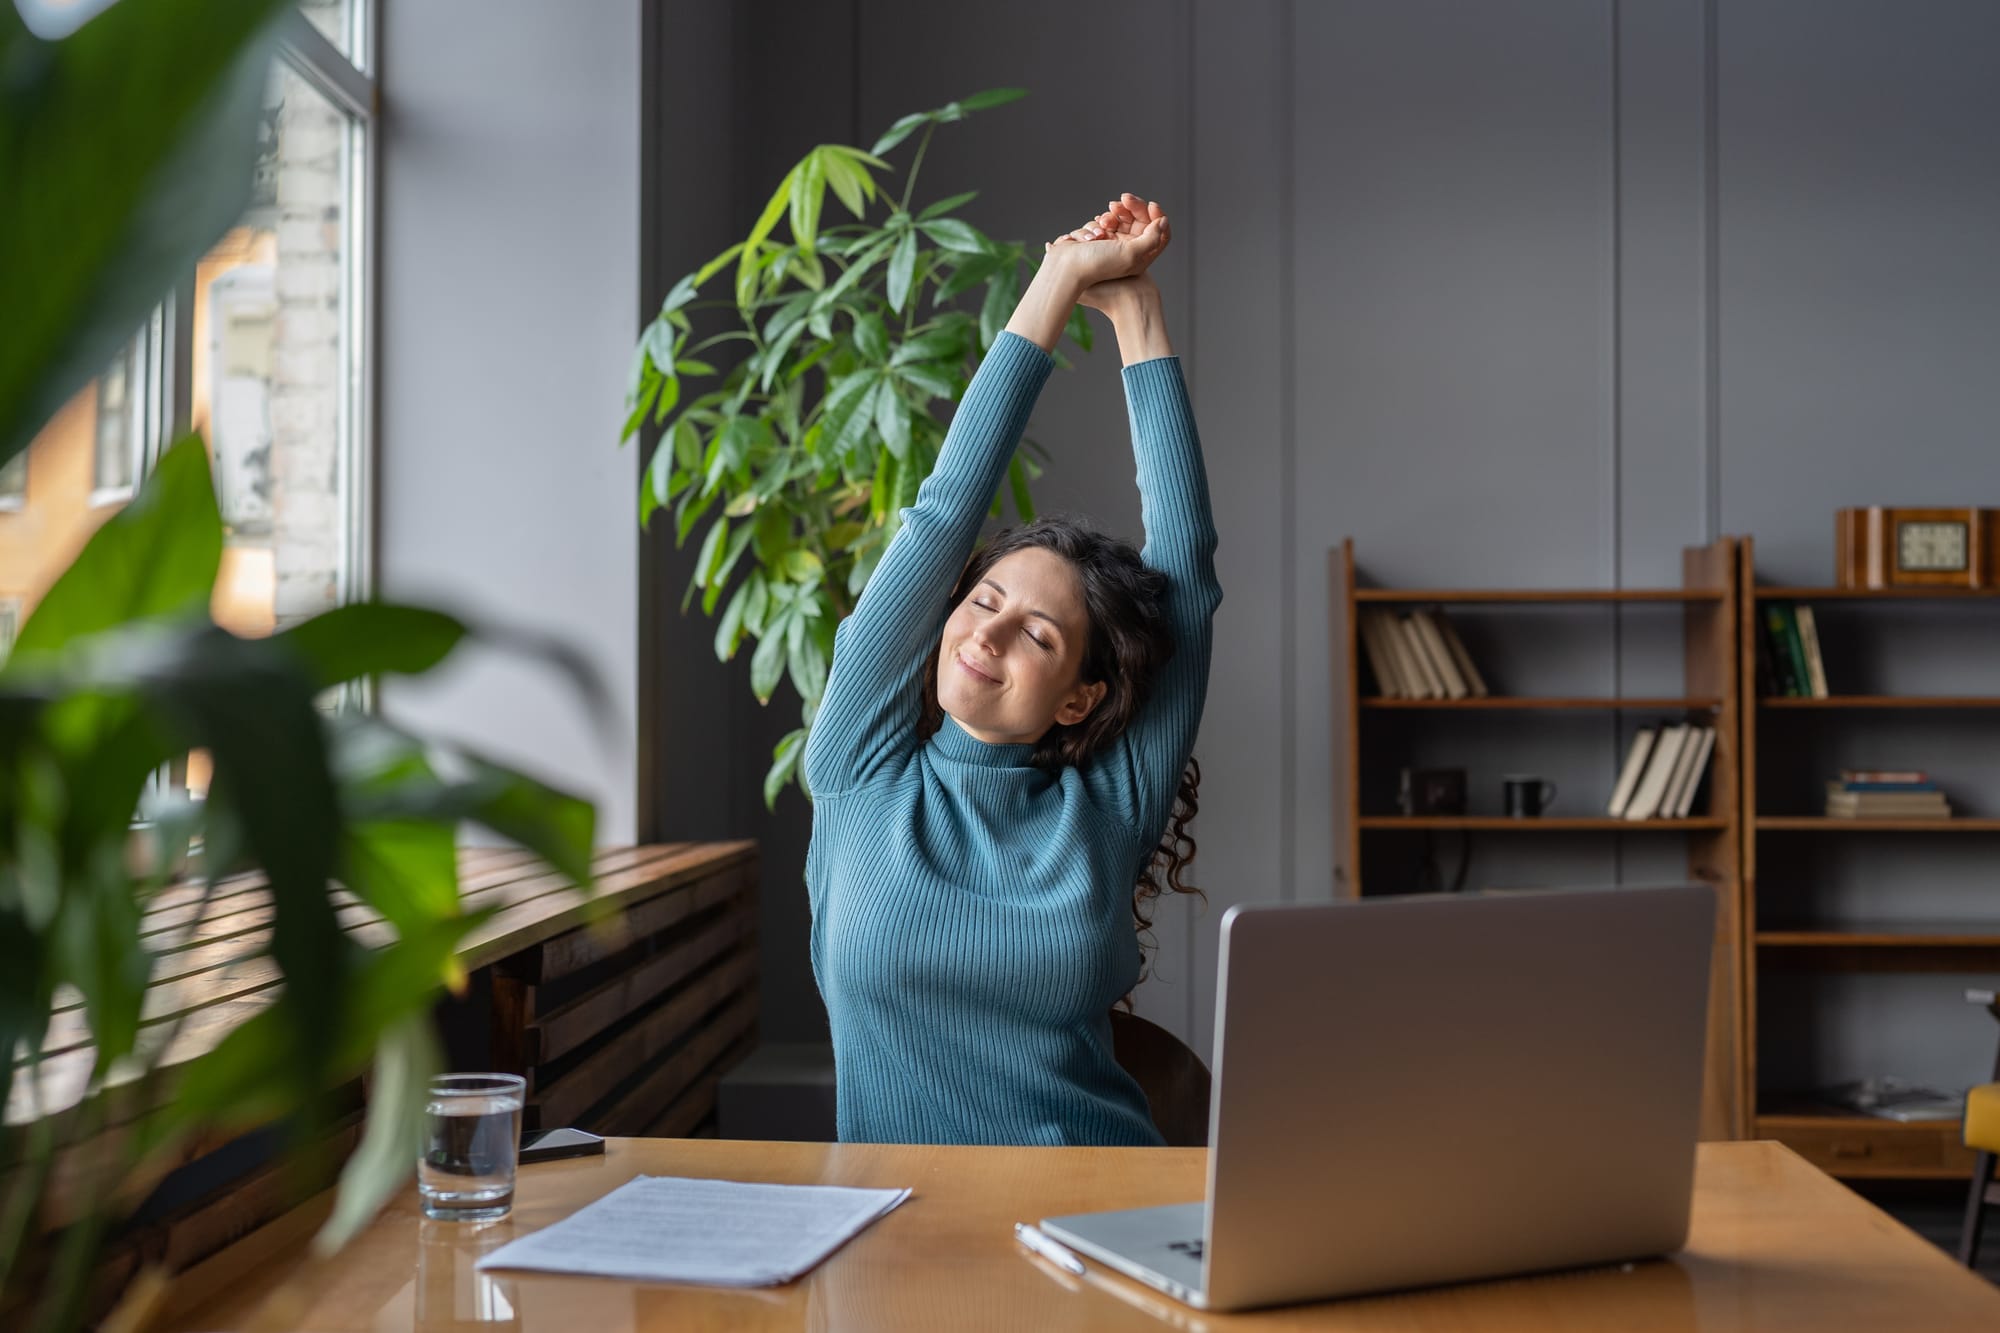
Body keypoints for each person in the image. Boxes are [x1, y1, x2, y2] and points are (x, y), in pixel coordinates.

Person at [802, 193, 1221, 1146]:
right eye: (984, 602)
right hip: (897, 1232)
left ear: (1081, 695)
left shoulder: (1107, 809)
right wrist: (1058, 278)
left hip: (1100, 1209)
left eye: (1038, 635)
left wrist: (1137, 315)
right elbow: (944, 513)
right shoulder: (859, 768)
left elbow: (1186, 571)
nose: (987, 636)